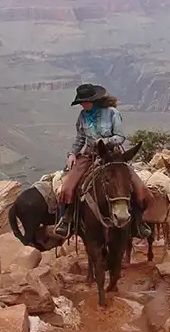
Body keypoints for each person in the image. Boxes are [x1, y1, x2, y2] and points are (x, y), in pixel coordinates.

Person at [54, 83, 153, 239]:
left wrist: (106, 141)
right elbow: (80, 138)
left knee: (138, 187)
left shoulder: (112, 113)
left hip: (113, 155)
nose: (83, 104)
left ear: (94, 100)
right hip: (89, 155)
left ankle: (138, 222)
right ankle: (66, 220)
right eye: (81, 102)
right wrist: (72, 154)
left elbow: (120, 137)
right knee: (67, 187)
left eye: (85, 101)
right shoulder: (82, 116)